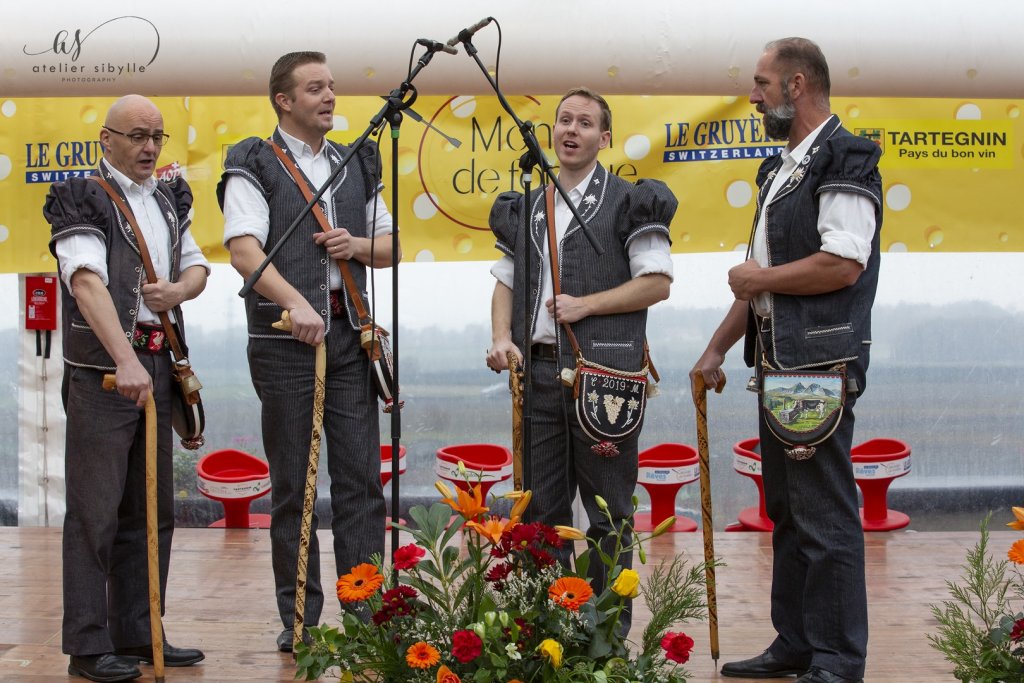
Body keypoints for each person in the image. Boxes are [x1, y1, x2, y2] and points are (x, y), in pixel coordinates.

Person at [690, 38, 881, 683]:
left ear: (797, 85)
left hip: (820, 364)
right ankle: (796, 642)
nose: (753, 95)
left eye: (762, 83)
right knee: (788, 511)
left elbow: (842, 264)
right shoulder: (780, 171)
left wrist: (759, 280)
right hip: (778, 363)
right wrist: (716, 347)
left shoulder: (846, 156)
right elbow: (763, 282)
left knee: (824, 513)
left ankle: (838, 660)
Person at [218, 51, 398, 652]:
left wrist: (358, 245)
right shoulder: (254, 162)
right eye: (315, 87)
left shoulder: (356, 160)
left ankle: (367, 619)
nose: (329, 96)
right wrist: (297, 303)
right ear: (284, 100)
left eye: (331, 86)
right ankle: (299, 620)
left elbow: (391, 247)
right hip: (283, 344)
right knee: (295, 486)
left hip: (352, 339)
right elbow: (244, 251)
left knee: (361, 483)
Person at [485, 87, 676, 623]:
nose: (571, 130)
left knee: (608, 512)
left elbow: (657, 283)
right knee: (540, 513)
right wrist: (501, 337)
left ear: (604, 138)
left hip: (606, 377)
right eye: (564, 120)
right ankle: (552, 633)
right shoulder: (527, 204)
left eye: (585, 123)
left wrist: (585, 305)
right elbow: (505, 280)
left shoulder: (630, 200)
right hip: (538, 371)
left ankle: (606, 634)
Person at [43, 94, 209, 682]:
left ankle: (139, 632)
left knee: (151, 509)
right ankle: (88, 647)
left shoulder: (166, 198)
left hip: (158, 366)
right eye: (137, 135)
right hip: (104, 374)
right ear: (106, 140)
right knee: (95, 513)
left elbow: (197, 266)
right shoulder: (83, 196)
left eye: (157, 136)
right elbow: (85, 283)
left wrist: (179, 291)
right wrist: (124, 357)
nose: (149, 147)